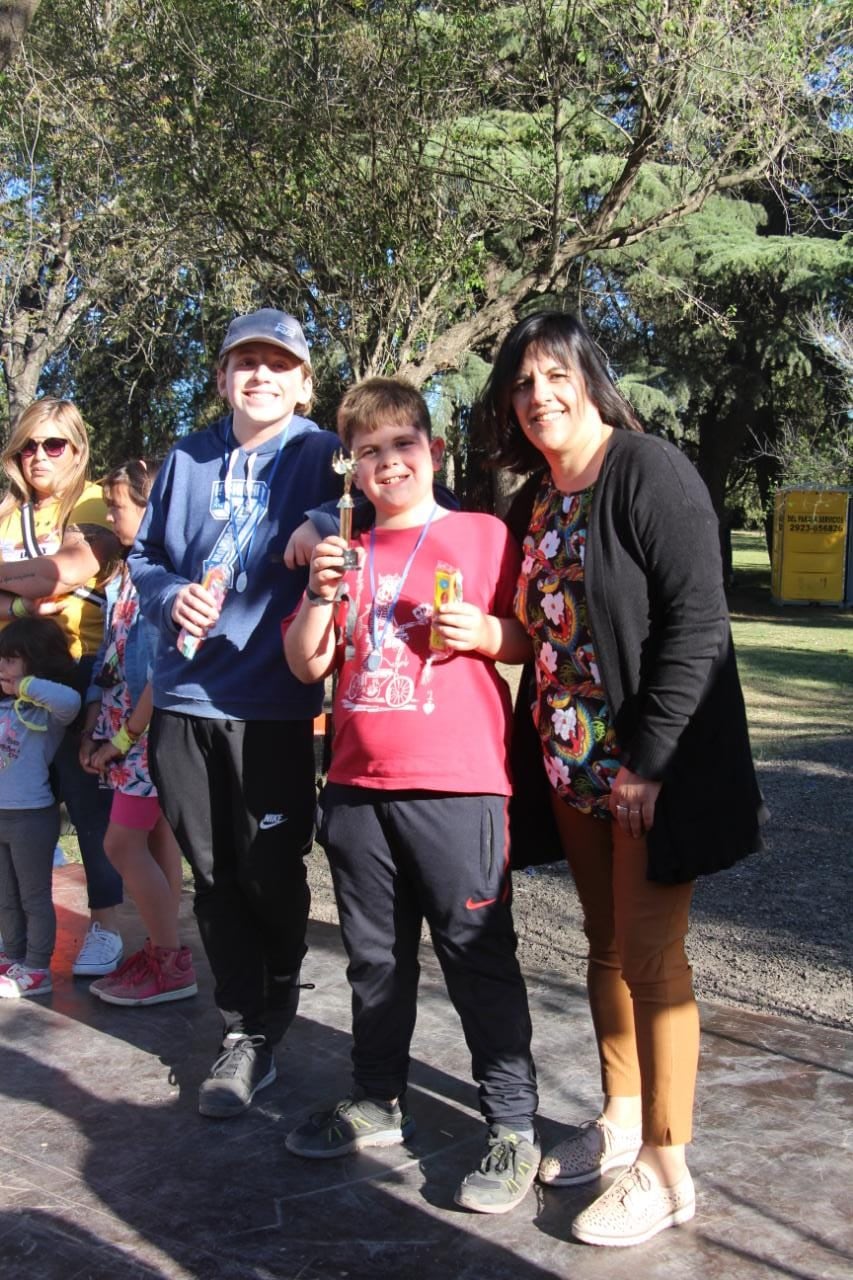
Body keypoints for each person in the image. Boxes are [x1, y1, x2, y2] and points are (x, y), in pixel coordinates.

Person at [476, 312, 765, 1247]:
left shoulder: (647, 471)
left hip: (647, 770)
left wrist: (649, 764)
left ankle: (666, 1169)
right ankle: (619, 1117)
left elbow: (695, 625)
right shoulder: (535, 501)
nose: (537, 397)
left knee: (651, 958)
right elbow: (543, 630)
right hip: (570, 767)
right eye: (520, 384)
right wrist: (490, 638)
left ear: (590, 378)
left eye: (552, 375)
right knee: (602, 948)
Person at [284, 377, 540, 1216]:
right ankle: (377, 1101)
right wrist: (321, 593)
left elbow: (536, 637)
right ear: (353, 468)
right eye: (368, 451)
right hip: (356, 788)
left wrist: (488, 634)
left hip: (459, 787)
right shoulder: (344, 549)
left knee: (476, 956)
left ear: (431, 449)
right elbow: (304, 664)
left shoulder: (481, 534)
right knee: (374, 961)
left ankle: (511, 1127)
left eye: (402, 444)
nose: (387, 462)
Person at [128, 309, 341, 1117]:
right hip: (184, 698)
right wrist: (170, 593)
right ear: (220, 378)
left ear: (303, 382)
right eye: (243, 362)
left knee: (269, 868)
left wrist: (324, 520)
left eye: (277, 363)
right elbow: (145, 556)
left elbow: (412, 493)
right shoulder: (186, 456)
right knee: (213, 878)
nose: (259, 375)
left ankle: (274, 1007)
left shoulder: (324, 453)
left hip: (274, 707)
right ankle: (243, 1029)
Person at [0, 399, 124, 978]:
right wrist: (25, 598)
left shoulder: (94, 499)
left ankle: (106, 928)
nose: (39, 456)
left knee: (87, 801)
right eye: (28, 444)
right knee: (14, 806)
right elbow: (40, 581)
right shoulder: (7, 513)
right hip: (7, 677)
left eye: (54, 445)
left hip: (77, 669)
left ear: (77, 449)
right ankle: (14, 936)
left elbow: (70, 568)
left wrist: (32, 585)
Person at [80, 459, 197, 1007]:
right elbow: (112, 657)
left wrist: (123, 739)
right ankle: (160, 949)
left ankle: (170, 961)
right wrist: (93, 726)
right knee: (156, 841)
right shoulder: (127, 573)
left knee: (119, 843)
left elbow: (162, 672)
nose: (108, 516)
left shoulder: (164, 579)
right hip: (126, 734)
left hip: (147, 739)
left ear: (151, 508)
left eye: (117, 506)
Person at [0, 617, 81, 998]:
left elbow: (71, 701)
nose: (2, 666)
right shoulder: (4, 706)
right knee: (5, 895)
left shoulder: (45, 711)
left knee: (33, 895)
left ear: (35, 661)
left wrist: (24, 686)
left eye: (12, 659)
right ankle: (12, 955)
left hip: (31, 815)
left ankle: (36, 968)